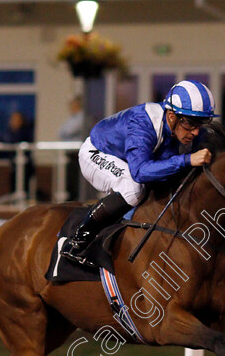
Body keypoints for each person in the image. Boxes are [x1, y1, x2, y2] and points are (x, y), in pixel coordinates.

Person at [61, 80, 215, 266]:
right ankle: (77, 242)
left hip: (125, 160)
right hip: (95, 153)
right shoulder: (143, 123)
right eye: (191, 124)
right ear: (172, 116)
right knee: (133, 187)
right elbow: (140, 171)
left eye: (202, 124)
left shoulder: (178, 127)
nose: (196, 132)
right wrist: (187, 160)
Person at [57, 96, 85, 201]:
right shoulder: (71, 118)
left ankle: (76, 198)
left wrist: (65, 133)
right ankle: (70, 198)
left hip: (77, 152)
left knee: (76, 178)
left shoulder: (82, 117)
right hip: (69, 152)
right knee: (69, 178)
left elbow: (69, 131)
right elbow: (60, 132)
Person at [1, 111, 34, 196]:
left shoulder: (25, 132)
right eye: (13, 119)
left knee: (24, 184)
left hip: (25, 165)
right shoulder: (9, 133)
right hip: (13, 164)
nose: (15, 122)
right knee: (13, 184)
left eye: (17, 119)